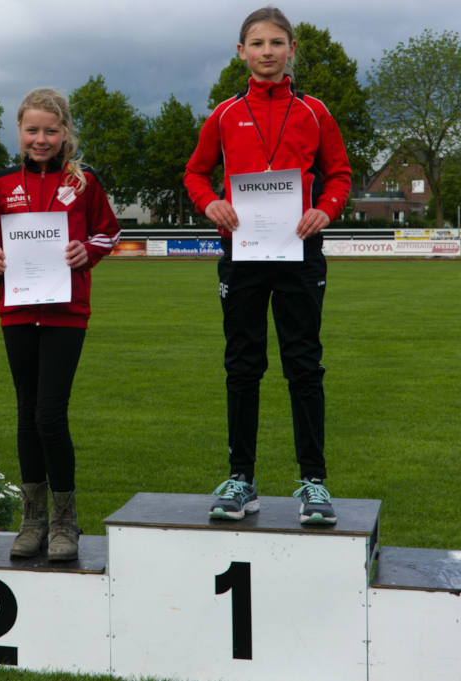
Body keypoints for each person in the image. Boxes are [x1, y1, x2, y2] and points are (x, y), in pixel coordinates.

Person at [184, 7, 352, 525]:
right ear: (241, 52)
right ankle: (241, 479)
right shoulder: (224, 113)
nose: (267, 52)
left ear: (292, 50)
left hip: (299, 252)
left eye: (276, 43)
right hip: (243, 254)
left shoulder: (316, 111)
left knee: (303, 364)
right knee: (243, 365)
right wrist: (209, 203)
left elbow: (339, 174)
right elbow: (196, 173)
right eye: (257, 43)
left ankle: (314, 484)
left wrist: (325, 208)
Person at [0, 88, 120, 560]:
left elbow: (108, 231)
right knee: (25, 414)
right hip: (17, 310)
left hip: (66, 312)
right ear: (19, 132)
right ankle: (32, 519)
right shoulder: (2, 184)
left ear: (65, 135)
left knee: (49, 415)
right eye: (32, 130)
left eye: (50, 131)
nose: (41, 139)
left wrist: (89, 252)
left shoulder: (84, 182)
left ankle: (65, 523)